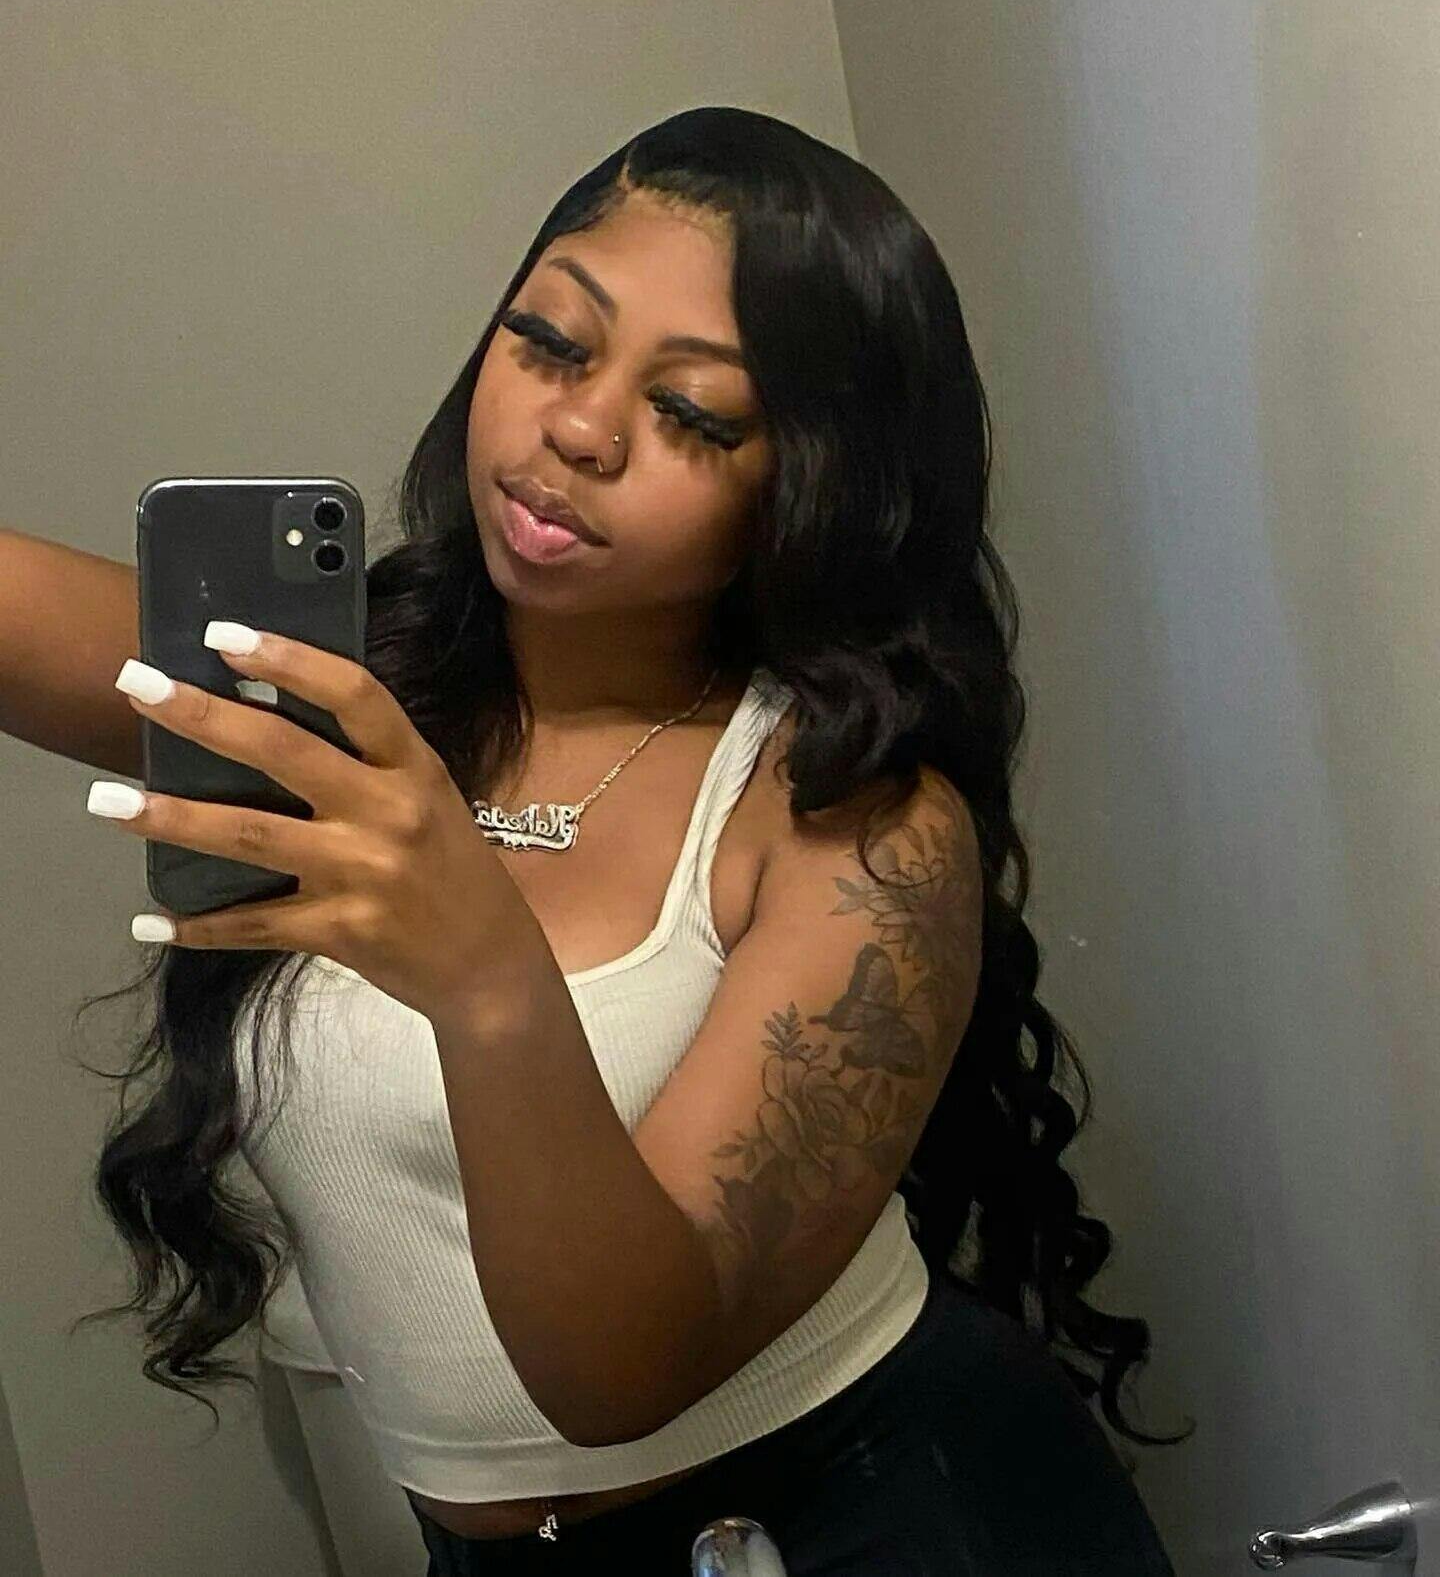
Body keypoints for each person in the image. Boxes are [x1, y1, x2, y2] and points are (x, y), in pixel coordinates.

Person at [6, 106, 1186, 1572]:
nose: (579, 430)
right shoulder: (346, 704)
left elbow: (615, 1376)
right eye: (551, 341)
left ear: (812, 483)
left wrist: (486, 977)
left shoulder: (852, 825)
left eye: (693, 414)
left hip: (876, 1522)